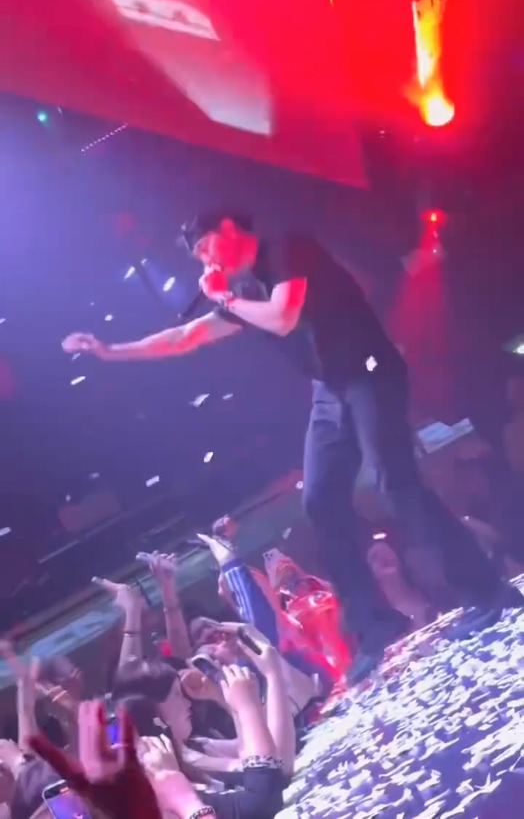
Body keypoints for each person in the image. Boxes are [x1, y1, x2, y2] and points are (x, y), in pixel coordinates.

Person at [62, 212, 523, 682]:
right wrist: (110, 351)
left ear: (227, 229)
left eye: (204, 248)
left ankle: (486, 589)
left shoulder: (286, 248)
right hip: (330, 390)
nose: (204, 262)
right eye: (198, 256)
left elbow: (284, 317)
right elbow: (187, 336)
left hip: (369, 370)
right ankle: (373, 627)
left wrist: (224, 296)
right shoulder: (242, 292)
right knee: (320, 500)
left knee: (395, 481)